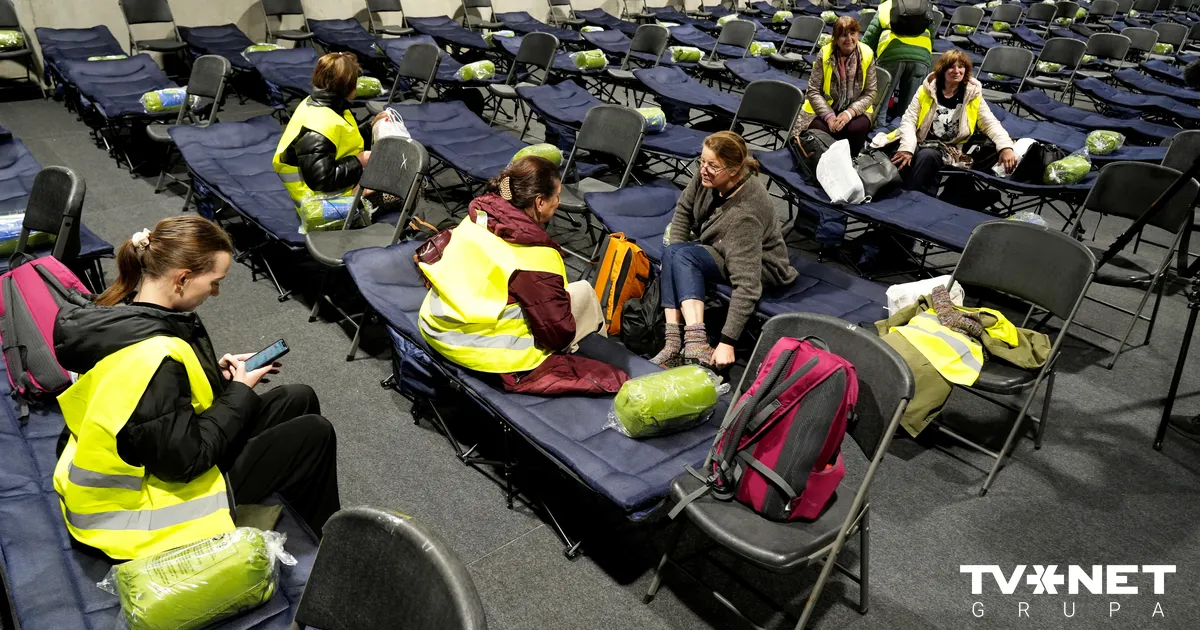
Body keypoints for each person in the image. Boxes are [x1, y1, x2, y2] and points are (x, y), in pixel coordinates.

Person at [52, 217, 340, 559]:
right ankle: (329, 552)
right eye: (214, 283)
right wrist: (241, 392)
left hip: (151, 458)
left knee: (298, 397)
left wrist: (219, 379)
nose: (215, 293)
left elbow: (154, 408)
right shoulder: (155, 357)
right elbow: (186, 463)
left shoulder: (125, 316)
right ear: (183, 278)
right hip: (140, 511)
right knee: (313, 434)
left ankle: (292, 521)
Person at [416, 156, 629, 396]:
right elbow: (557, 334)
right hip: (477, 351)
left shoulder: (479, 216)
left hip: (436, 325)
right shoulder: (534, 259)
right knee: (584, 294)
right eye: (556, 196)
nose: (558, 203)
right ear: (539, 202)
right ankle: (598, 349)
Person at [652, 131, 798, 370]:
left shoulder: (745, 216)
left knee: (683, 256)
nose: (704, 169)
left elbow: (748, 286)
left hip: (761, 267)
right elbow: (684, 211)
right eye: (702, 162)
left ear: (733, 170)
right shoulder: (707, 176)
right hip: (721, 249)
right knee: (674, 252)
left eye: (713, 165)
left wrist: (727, 341)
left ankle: (696, 342)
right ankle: (672, 343)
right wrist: (674, 252)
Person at [891, 50, 1017, 198]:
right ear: (942, 69)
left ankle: (913, 199)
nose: (957, 71)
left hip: (950, 148)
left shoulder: (972, 94)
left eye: (961, 66)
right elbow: (908, 120)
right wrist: (907, 148)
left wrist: (1006, 147)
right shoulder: (926, 90)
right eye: (951, 67)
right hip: (921, 140)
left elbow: (990, 123)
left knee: (927, 156)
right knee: (898, 154)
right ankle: (894, 196)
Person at [273, 52, 376, 203]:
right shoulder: (318, 126)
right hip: (320, 205)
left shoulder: (320, 104)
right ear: (349, 87)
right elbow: (322, 180)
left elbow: (342, 141)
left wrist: (370, 128)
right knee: (401, 188)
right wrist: (359, 162)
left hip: (330, 190)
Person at [794, 16, 879, 156]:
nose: (849, 39)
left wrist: (848, 113)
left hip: (856, 108)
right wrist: (829, 117)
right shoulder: (825, 53)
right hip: (825, 108)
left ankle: (850, 163)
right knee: (820, 129)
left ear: (858, 34)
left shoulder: (867, 53)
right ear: (836, 38)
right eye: (843, 35)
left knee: (856, 128)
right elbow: (813, 91)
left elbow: (870, 92)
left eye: (852, 33)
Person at [862, 0, 934, 127]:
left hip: (892, 54)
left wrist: (863, 56)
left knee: (881, 102)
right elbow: (931, 33)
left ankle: (876, 135)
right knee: (910, 107)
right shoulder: (924, 5)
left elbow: (871, 34)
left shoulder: (886, 6)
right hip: (921, 56)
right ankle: (900, 137)